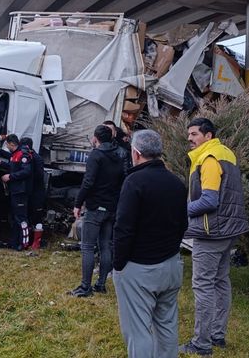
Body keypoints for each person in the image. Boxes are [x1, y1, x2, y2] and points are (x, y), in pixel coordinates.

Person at [112, 129, 188, 357]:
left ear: (135, 153)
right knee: (166, 326)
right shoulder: (176, 182)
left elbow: (123, 228)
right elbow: (182, 224)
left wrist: (118, 264)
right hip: (171, 265)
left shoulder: (134, 181)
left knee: (138, 331)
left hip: (139, 268)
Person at [180, 118, 249, 356]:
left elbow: (209, 200)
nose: (189, 138)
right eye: (189, 134)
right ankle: (217, 335)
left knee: (203, 285)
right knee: (221, 281)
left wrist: (178, 210)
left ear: (208, 136)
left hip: (211, 231)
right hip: (229, 230)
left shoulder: (208, 159)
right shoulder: (226, 153)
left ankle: (201, 343)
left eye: (194, 134)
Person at [70, 125, 126, 297]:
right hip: (112, 207)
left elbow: (88, 182)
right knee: (105, 246)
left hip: (96, 207)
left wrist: (78, 204)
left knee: (87, 246)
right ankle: (101, 284)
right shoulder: (120, 154)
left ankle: (85, 287)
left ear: (96, 138)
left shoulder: (96, 155)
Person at [2, 134, 33, 250]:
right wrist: (1, 164)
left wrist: (10, 177)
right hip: (15, 190)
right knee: (15, 218)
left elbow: (26, 171)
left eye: (7, 145)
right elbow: (12, 167)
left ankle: (24, 243)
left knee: (21, 218)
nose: (7, 147)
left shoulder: (23, 154)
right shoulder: (14, 155)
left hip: (21, 191)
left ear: (11, 144)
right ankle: (15, 242)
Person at [20, 137, 47, 232]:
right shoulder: (29, 156)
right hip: (30, 191)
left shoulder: (36, 158)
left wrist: (27, 175)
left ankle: (36, 239)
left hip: (36, 191)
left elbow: (39, 175)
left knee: (36, 216)